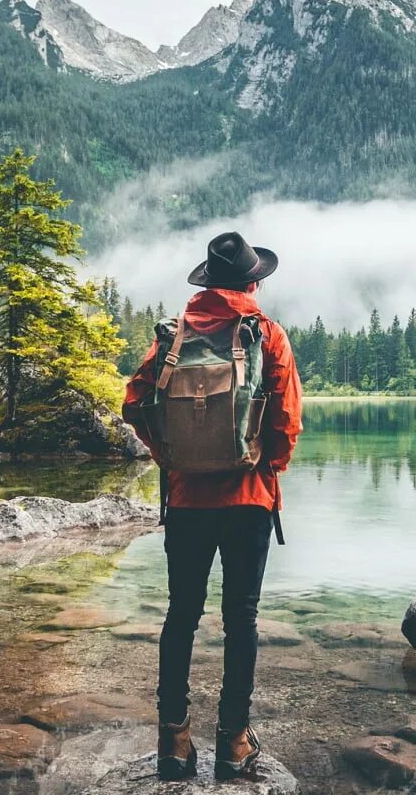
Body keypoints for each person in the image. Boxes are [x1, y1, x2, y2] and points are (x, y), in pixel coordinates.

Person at [122, 231, 302, 781]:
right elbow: (287, 423)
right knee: (240, 617)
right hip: (249, 500)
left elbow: (134, 405)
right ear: (252, 282)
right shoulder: (266, 334)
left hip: (187, 502)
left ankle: (173, 742)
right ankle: (233, 742)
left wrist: (171, 459)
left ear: (208, 281)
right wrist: (264, 466)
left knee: (182, 614)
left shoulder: (173, 336)